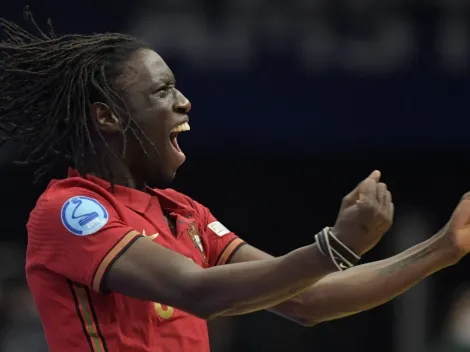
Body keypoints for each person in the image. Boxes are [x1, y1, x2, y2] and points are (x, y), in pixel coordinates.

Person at [1, 9, 470, 352]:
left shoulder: (183, 213)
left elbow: (310, 298)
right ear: (106, 116)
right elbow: (196, 292)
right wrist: (335, 247)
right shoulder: (70, 211)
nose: (184, 102)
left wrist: (444, 247)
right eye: (163, 90)